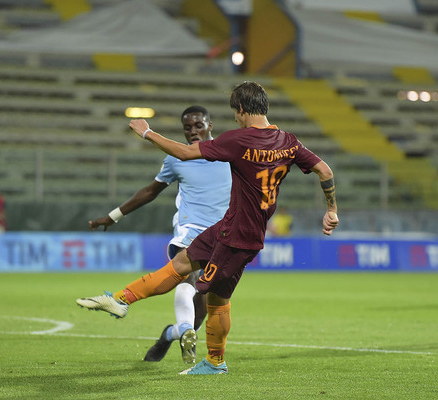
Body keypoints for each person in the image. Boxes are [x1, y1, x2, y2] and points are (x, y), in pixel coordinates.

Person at [77, 81, 339, 375]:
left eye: (236, 113)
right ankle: (120, 301)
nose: (236, 118)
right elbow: (324, 170)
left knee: (214, 297)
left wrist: (148, 133)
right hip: (234, 228)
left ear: (241, 110)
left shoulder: (239, 139)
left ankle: (213, 361)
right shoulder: (288, 141)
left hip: (236, 236)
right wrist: (331, 209)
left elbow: (187, 153)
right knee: (183, 267)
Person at [88, 105, 231, 364]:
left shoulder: (229, 153)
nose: (193, 131)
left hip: (222, 238)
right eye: (187, 127)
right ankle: (163, 320)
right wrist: (112, 217)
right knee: (187, 278)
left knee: (200, 314)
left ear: (210, 126)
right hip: (188, 233)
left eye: (199, 125)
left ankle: (173, 333)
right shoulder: (177, 158)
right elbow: (149, 192)